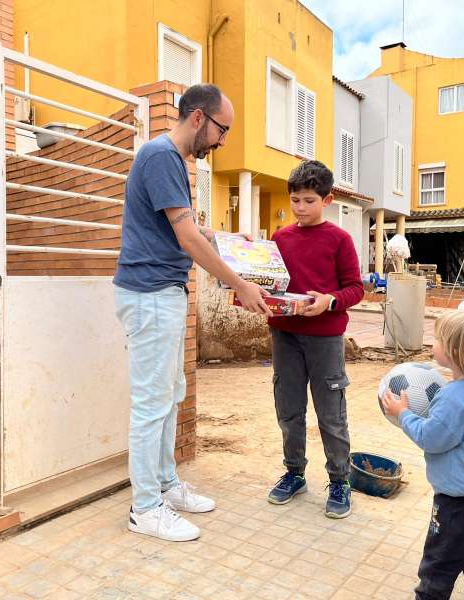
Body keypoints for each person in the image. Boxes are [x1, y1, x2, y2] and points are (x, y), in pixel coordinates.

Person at [113, 83, 270, 542]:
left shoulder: (171, 160)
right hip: (151, 294)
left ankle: (164, 485)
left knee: (169, 395)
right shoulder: (162, 155)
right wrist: (239, 283)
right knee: (151, 404)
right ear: (199, 118)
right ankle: (145, 508)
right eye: (223, 130)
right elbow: (185, 239)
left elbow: (182, 224)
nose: (223, 141)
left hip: (163, 293)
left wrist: (226, 238)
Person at [381, 310, 464, 600]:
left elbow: (430, 438)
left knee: (438, 567)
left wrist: (403, 414)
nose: (434, 342)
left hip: (460, 507)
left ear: (455, 351)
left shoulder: (453, 397)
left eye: (439, 339)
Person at [266, 160, 364, 518]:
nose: (300, 208)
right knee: (289, 409)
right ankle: (294, 473)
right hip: (285, 335)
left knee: (331, 414)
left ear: (328, 199)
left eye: (308, 200)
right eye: (295, 200)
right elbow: (272, 282)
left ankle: (340, 480)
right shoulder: (280, 238)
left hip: (325, 339)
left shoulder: (340, 239)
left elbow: (356, 289)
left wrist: (329, 301)